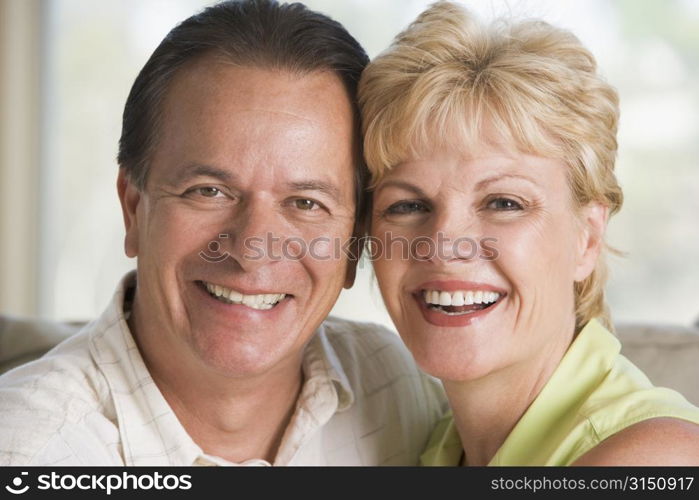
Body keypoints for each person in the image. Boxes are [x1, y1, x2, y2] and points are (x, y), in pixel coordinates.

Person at [0, 0, 445, 466]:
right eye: (209, 191)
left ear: (355, 243)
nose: (253, 249)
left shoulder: (397, 387)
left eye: (306, 203)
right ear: (134, 208)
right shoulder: (32, 451)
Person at [358, 0, 699, 465]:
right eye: (408, 205)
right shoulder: (429, 444)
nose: (443, 246)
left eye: (503, 203)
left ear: (588, 239)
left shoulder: (656, 460)